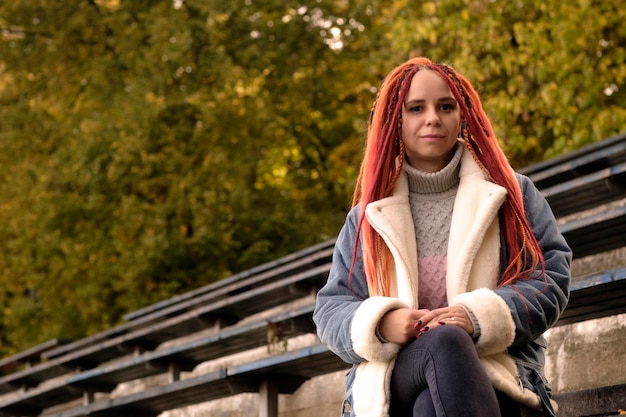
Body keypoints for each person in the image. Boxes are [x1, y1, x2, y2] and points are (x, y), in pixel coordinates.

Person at [312, 57, 572, 417]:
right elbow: (331, 308)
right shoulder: (367, 216)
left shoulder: (510, 194)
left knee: (430, 406)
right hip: (395, 379)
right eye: (416, 108)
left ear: (462, 114)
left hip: (496, 376)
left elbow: (549, 279)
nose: (432, 118)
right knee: (444, 344)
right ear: (396, 121)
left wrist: (476, 316)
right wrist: (382, 323)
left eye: (445, 106)